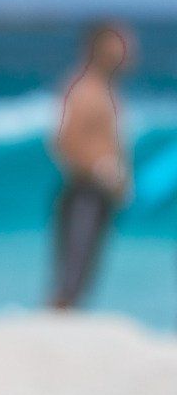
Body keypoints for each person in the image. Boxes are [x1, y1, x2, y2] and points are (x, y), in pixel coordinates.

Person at [48, 21, 135, 310]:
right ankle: (54, 329)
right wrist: (102, 170)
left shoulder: (106, 90)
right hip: (84, 191)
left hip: (98, 194)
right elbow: (64, 141)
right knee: (71, 275)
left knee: (83, 275)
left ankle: (62, 329)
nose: (128, 51)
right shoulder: (84, 90)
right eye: (120, 45)